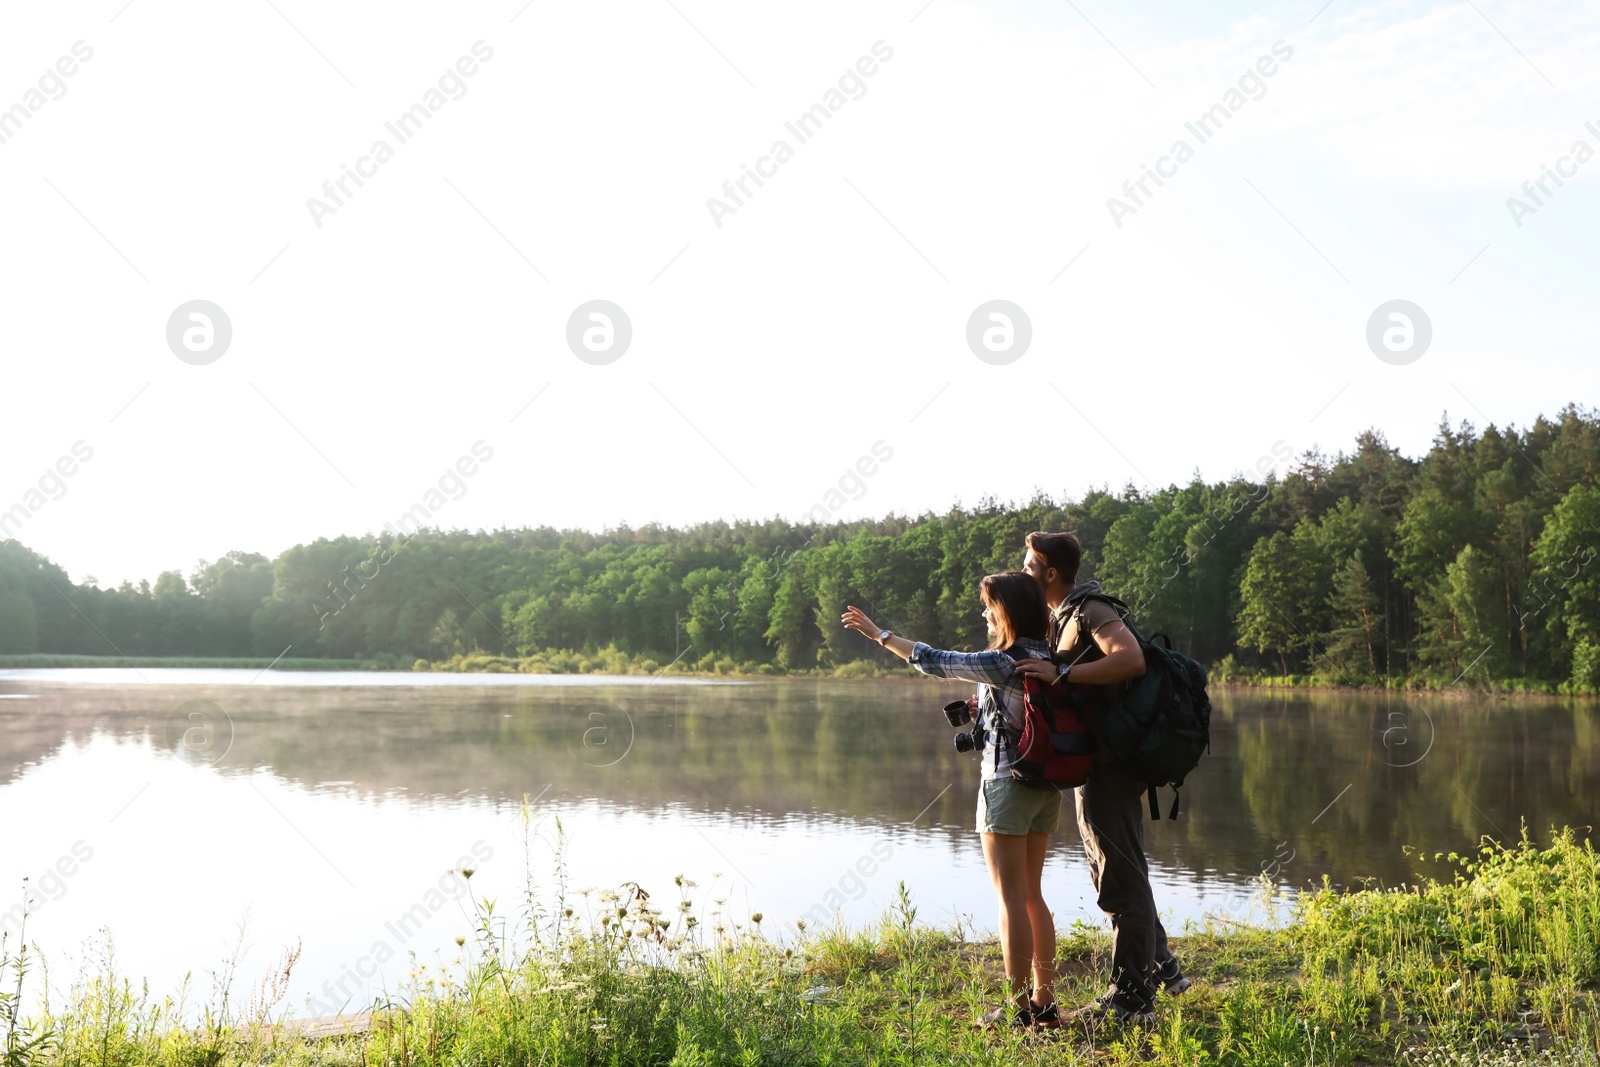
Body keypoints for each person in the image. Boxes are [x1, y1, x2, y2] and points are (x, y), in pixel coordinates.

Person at [840, 572, 1063, 1029]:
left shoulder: (1005, 659)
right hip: (1046, 786)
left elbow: (935, 660)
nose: (984, 613)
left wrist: (880, 635)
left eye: (989, 606)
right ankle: (1044, 1000)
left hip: (1006, 785)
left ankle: (1018, 1008)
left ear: (1007, 612)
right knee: (1033, 896)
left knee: (1010, 900)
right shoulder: (1048, 654)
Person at [1015, 530, 1191, 1027]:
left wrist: (1062, 675)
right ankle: (1163, 968)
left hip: (1112, 765)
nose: (1026, 572)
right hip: (1093, 763)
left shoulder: (1089, 609)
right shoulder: (1060, 617)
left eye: (1030, 566)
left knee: (1118, 876)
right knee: (1111, 869)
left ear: (1050, 572)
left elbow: (1130, 658)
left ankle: (1133, 998)